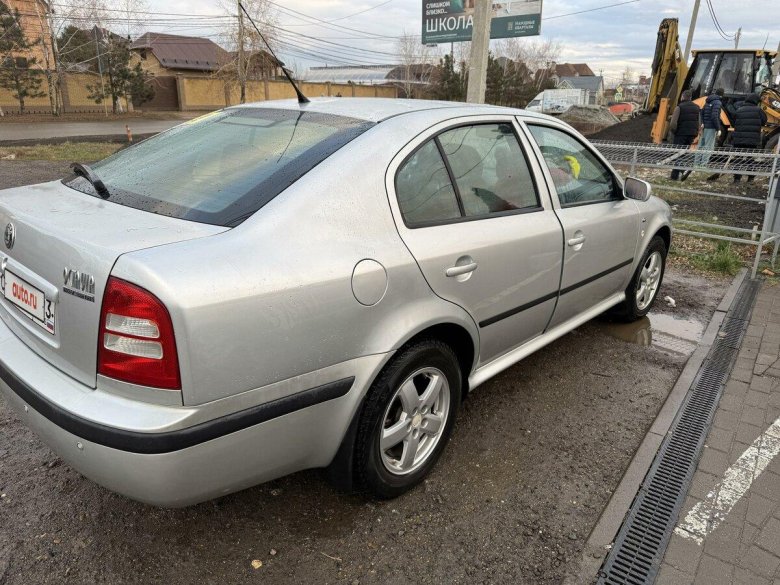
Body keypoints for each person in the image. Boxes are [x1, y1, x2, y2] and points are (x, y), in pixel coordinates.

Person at [732, 93, 768, 183]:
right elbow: (764, 121)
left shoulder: (739, 110)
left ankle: (737, 179)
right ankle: (750, 178)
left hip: (739, 139)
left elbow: (733, 122)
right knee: (750, 158)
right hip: (752, 140)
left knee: (738, 158)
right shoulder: (759, 110)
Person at [668, 90, 700, 180]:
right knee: (684, 153)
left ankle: (678, 173)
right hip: (691, 134)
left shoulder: (679, 107)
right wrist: (695, 133)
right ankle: (677, 174)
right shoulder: (697, 107)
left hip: (680, 134)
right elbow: (698, 122)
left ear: (682, 97)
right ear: (690, 98)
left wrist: (674, 131)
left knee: (677, 154)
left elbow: (673, 123)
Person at [693, 87, 724, 171]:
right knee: (708, 147)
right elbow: (714, 116)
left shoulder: (708, 101)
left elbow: (702, 112)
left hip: (705, 127)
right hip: (711, 128)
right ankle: (703, 166)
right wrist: (718, 128)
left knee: (701, 146)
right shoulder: (717, 102)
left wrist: (703, 122)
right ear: (722, 95)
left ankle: (696, 165)